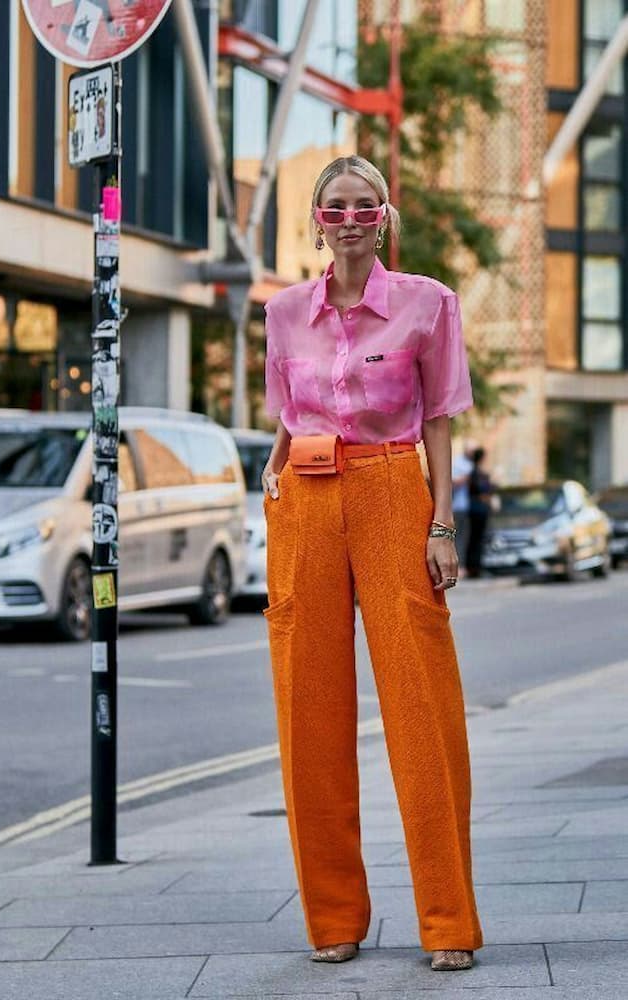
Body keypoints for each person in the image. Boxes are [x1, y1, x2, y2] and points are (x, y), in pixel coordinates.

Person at [261, 155, 483, 973]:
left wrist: (442, 525)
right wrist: (274, 479)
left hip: (393, 490)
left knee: (422, 708)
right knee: (307, 710)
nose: (350, 219)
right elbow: (286, 409)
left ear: (384, 216)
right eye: (336, 207)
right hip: (306, 498)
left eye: (365, 206)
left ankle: (448, 920)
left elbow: (442, 420)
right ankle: (333, 920)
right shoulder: (283, 311)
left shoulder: (428, 303)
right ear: (316, 218)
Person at [465, 447, 494, 579]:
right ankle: (474, 568)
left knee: (475, 539)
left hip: (475, 509)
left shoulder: (474, 473)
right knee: (477, 539)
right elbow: (482, 492)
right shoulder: (478, 474)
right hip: (479, 509)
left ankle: (474, 567)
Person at [451, 441, 475, 571]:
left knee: (467, 537)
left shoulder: (473, 464)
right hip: (459, 505)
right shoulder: (459, 463)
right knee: (459, 536)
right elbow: (453, 482)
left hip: (471, 506)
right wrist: (467, 477)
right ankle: (459, 566)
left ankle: (465, 565)